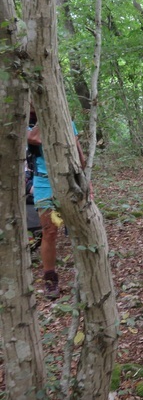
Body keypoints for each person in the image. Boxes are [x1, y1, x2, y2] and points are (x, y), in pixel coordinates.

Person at [27, 106, 87, 300]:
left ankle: (87, 272)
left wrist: (85, 180)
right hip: (43, 181)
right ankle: (50, 277)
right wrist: (45, 113)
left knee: (79, 224)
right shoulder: (25, 124)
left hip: (69, 180)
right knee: (50, 230)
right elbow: (34, 139)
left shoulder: (65, 120)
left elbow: (80, 157)